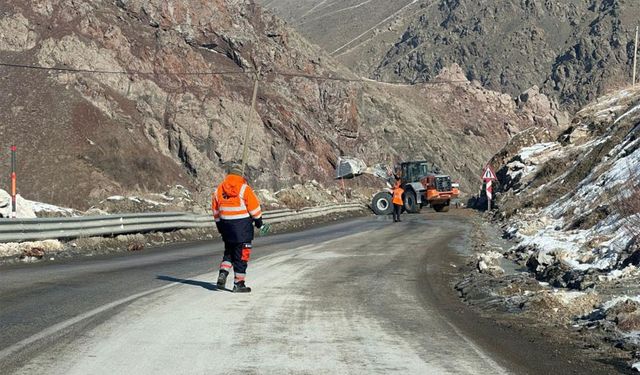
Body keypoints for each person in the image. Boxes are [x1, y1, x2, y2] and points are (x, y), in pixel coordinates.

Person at [212, 163, 263, 293]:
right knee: (241, 256)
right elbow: (254, 207)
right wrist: (258, 221)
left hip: (226, 227)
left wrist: (220, 226)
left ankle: (223, 273)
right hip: (242, 228)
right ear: (240, 175)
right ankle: (238, 283)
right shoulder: (244, 189)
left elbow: (216, 212)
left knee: (228, 253)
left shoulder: (219, 190)